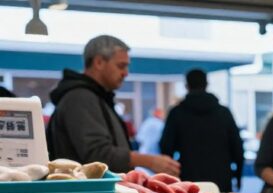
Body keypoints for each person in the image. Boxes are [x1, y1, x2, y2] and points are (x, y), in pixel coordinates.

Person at [46, 35, 179, 174]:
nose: (126, 73)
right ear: (98, 62)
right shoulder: (80, 98)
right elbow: (97, 155)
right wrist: (149, 161)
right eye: (121, 66)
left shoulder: (95, 97)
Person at [161, 69, 244, 193]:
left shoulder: (176, 113)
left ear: (186, 86)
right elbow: (237, 148)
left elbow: (166, 148)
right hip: (220, 179)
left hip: (188, 179)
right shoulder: (224, 113)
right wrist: (237, 177)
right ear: (206, 84)